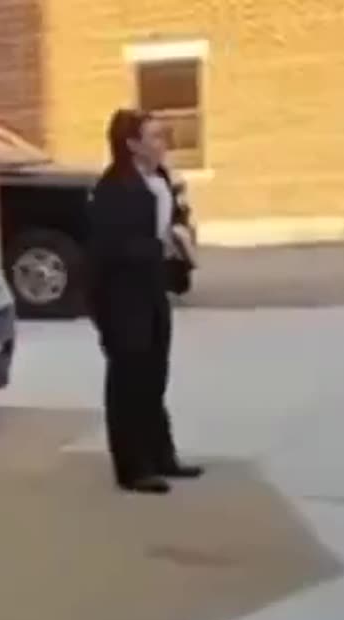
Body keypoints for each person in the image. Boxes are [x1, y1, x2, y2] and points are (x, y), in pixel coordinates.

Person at [86, 109, 203, 494]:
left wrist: (180, 237)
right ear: (132, 144)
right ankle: (132, 467)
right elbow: (112, 248)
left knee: (154, 375)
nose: (163, 143)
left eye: (162, 136)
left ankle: (161, 456)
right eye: (154, 136)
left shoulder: (161, 179)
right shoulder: (113, 190)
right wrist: (162, 245)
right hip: (120, 296)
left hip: (152, 289)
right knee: (128, 380)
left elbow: (171, 219)